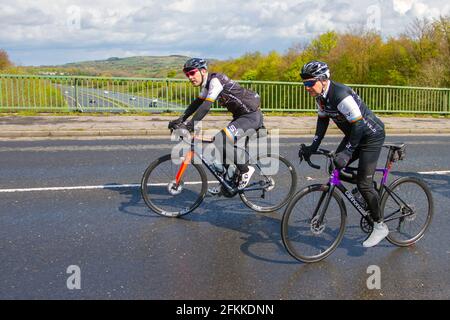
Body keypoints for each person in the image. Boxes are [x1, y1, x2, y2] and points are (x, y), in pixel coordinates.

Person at [298, 60, 388, 248]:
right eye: (304, 84)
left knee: (362, 182)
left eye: (309, 83)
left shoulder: (340, 94)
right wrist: (312, 147)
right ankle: (367, 187)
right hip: (354, 135)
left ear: (323, 80)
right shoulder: (320, 97)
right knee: (334, 167)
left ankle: (380, 225)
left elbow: (359, 124)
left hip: (371, 135)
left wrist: (347, 153)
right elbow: (322, 122)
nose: (307, 87)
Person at [168, 58, 264, 190]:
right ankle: (228, 181)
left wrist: (189, 126)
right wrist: (180, 120)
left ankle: (245, 170)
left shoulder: (215, 81)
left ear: (203, 71)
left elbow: (206, 106)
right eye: (187, 75)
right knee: (220, 144)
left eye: (192, 73)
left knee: (221, 140)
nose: (190, 77)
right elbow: (197, 103)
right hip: (241, 116)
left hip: (251, 116)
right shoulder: (207, 85)